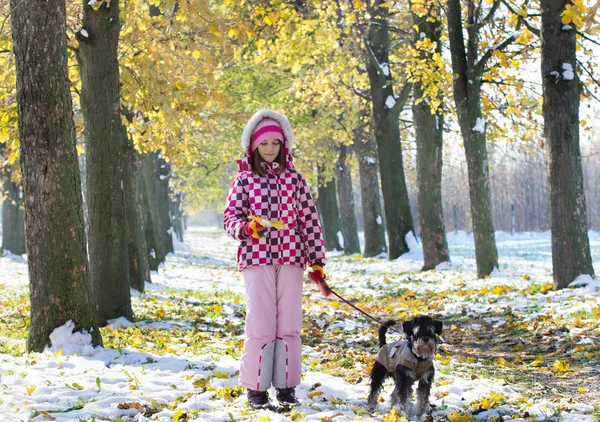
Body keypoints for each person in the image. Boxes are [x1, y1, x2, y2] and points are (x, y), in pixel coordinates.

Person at [223, 109, 329, 409]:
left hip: (292, 257)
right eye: (264, 143)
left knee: (289, 325)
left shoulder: (295, 180)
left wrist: (317, 261)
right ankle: (256, 389)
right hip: (256, 257)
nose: (270, 149)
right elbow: (230, 217)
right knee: (261, 324)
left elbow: (310, 221)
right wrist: (246, 228)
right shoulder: (244, 179)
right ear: (254, 146)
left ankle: (286, 387)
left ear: (284, 145)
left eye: (276, 143)